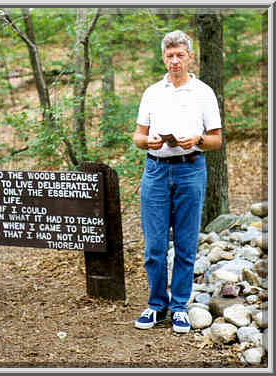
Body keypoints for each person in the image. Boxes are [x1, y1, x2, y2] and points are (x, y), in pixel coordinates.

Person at [133, 30, 222, 333]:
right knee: (154, 247)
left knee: (185, 244)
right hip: (156, 171)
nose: (174, 61)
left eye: (179, 55)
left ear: (189, 56)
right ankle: (156, 305)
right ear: (163, 57)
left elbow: (216, 140)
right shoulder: (152, 93)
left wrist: (198, 139)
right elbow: (137, 136)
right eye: (169, 55)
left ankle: (179, 306)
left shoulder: (203, 93)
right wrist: (148, 141)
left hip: (190, 169)